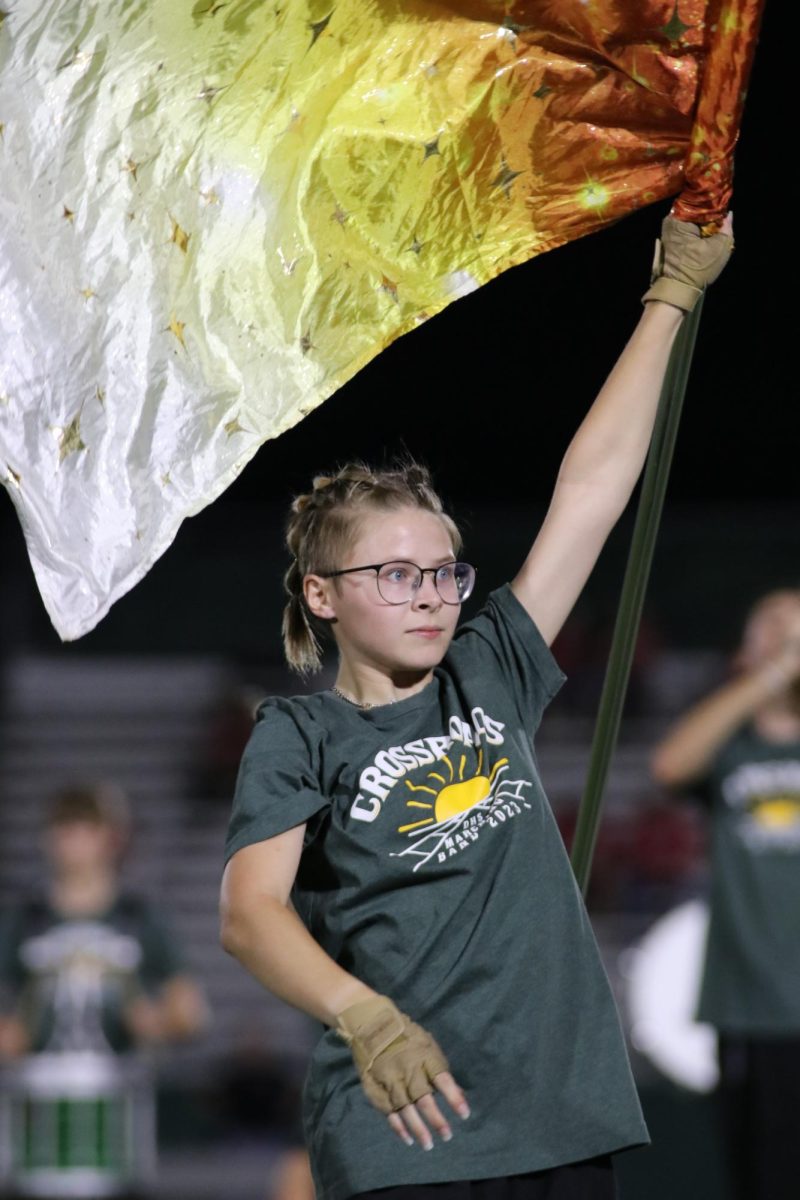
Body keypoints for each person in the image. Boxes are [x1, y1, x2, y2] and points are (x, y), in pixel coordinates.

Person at [220, 213, 733, 1200]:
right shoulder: (299, 733)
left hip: (556, 1115)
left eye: (442, 571)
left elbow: (588, 489)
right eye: (393, 573)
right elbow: (249, 916)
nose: (427, 593)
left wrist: (670, 297)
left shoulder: (485, 667)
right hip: (405, 1124)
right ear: (320, 595)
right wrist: (361, 1016)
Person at [650, 589, 800, 1200]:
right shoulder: (732, 749)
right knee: (758, 1176)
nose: (789, 639)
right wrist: (769, 675)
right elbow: (669, 765)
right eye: (773, 626)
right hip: (749, 1006)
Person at [0, 781, 208, 1060]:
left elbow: (191, 1012)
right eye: (65, 828)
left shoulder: (139, 916)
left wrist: (158, 1021)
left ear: (110, 837)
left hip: (121, 1088)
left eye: (87, 828)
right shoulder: (23, 919)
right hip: (39, 1089)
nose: (75, 841)